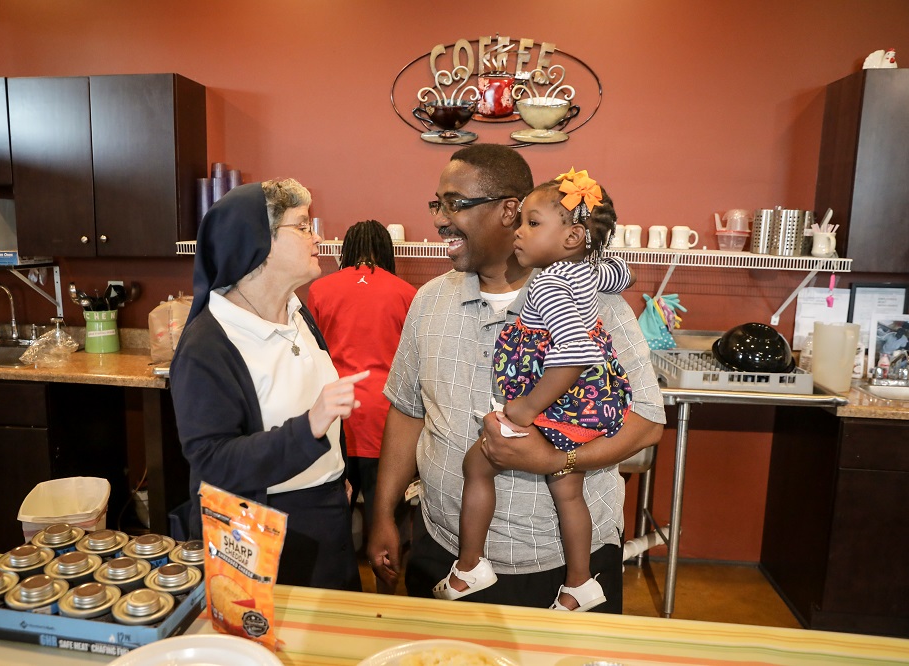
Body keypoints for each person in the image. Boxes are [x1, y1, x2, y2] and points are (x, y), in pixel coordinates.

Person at [367, 144, 666, 611]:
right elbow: (407, 411)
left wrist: (555, 461)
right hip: (442, 549)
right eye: (437, 204)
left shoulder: (593, 305)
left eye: (454, 204)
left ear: (509, 211)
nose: (440, 219)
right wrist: (383, 512)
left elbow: (647, 422)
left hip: (564, 563)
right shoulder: (428, 301)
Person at [433, 170, 633, 611]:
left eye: (533, 223)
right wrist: (594, 255)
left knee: (477, 463)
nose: (518, 232)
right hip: (586, 404)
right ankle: (579, 583)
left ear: (571, 236)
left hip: (553, 402)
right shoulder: (586, 273)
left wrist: (524, 408)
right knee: (568, 489)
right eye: (519, 221)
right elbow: (623, 273)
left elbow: (575, 350)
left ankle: (469, 568)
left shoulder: (547, 284)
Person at [170, 179, 367, 591]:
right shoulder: (208, 343)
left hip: (327, 514)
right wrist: (310, 425)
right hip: (262, 531)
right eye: (302, 226)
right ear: (258, 242)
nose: (318, 238)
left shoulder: (297, 313)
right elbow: (212, 459)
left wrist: (335, 472)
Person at [306, 220, 417, 592]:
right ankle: (388, 591)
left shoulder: (320, 290)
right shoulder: (406, 293)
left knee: (336, 506)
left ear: (346, 250)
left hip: (336, 414)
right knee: (386, 512)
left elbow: (313, 354)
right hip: (387, 420)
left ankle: (342, 593)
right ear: (387, 251)